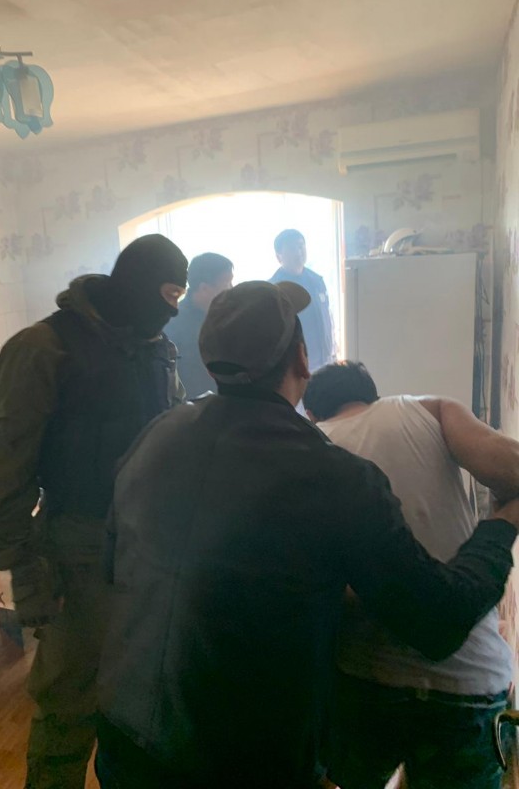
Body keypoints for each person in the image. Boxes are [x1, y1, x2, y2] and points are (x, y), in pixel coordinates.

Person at [96, 280, 519, 789]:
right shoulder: (333, 474)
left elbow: (114, 565)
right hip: (242, 760)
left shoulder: (156, 436)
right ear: (301, 358)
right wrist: (503, 522)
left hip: (125, 740)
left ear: (210, 365)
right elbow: (436, 621)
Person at [0, 234, 188, 789]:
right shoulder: (44, 347)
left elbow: (172, 424)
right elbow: (5, 470)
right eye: (169, 295)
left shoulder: (156, 345)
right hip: (79, 547)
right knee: (69, 705)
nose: (172, 311)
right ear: (139, 286)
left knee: (141, 701)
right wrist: (27, 572)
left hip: (152, 548)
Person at [305, 361, 519, 789]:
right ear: (373, 395)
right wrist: (504, 511)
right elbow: (510, 467)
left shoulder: (310, 450)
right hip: (467, 682)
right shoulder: (428, 409)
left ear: (312, 413)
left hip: (365, 680)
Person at [165, 252, 234, 398]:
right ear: (204, 289)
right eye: (227, 284)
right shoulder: (174, 323)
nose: (232, 289)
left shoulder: (227, 315)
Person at [269, 229, 334, 371]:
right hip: (294, 366)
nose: (298, 252)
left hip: (324, 360)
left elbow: (327, 316)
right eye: (292, 248)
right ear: (279, 256)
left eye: (300, 246)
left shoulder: (317, 281)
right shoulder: (274, 289)